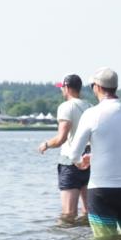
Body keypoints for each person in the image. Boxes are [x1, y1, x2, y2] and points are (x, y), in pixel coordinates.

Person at [65, 67, 121, 240]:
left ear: (98, 87)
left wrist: (83, 161)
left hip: (101, 192)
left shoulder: (92, 114)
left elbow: (73, 155)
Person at [38, 74, 92, 222]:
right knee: (88, 212)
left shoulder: (66, 107)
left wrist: (46, 144)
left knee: (68, 214)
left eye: (62, 87)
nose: (61, 90)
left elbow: (61, 139)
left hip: (70, 163)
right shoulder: (90, 107)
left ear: (67, 88)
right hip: (89, 161)